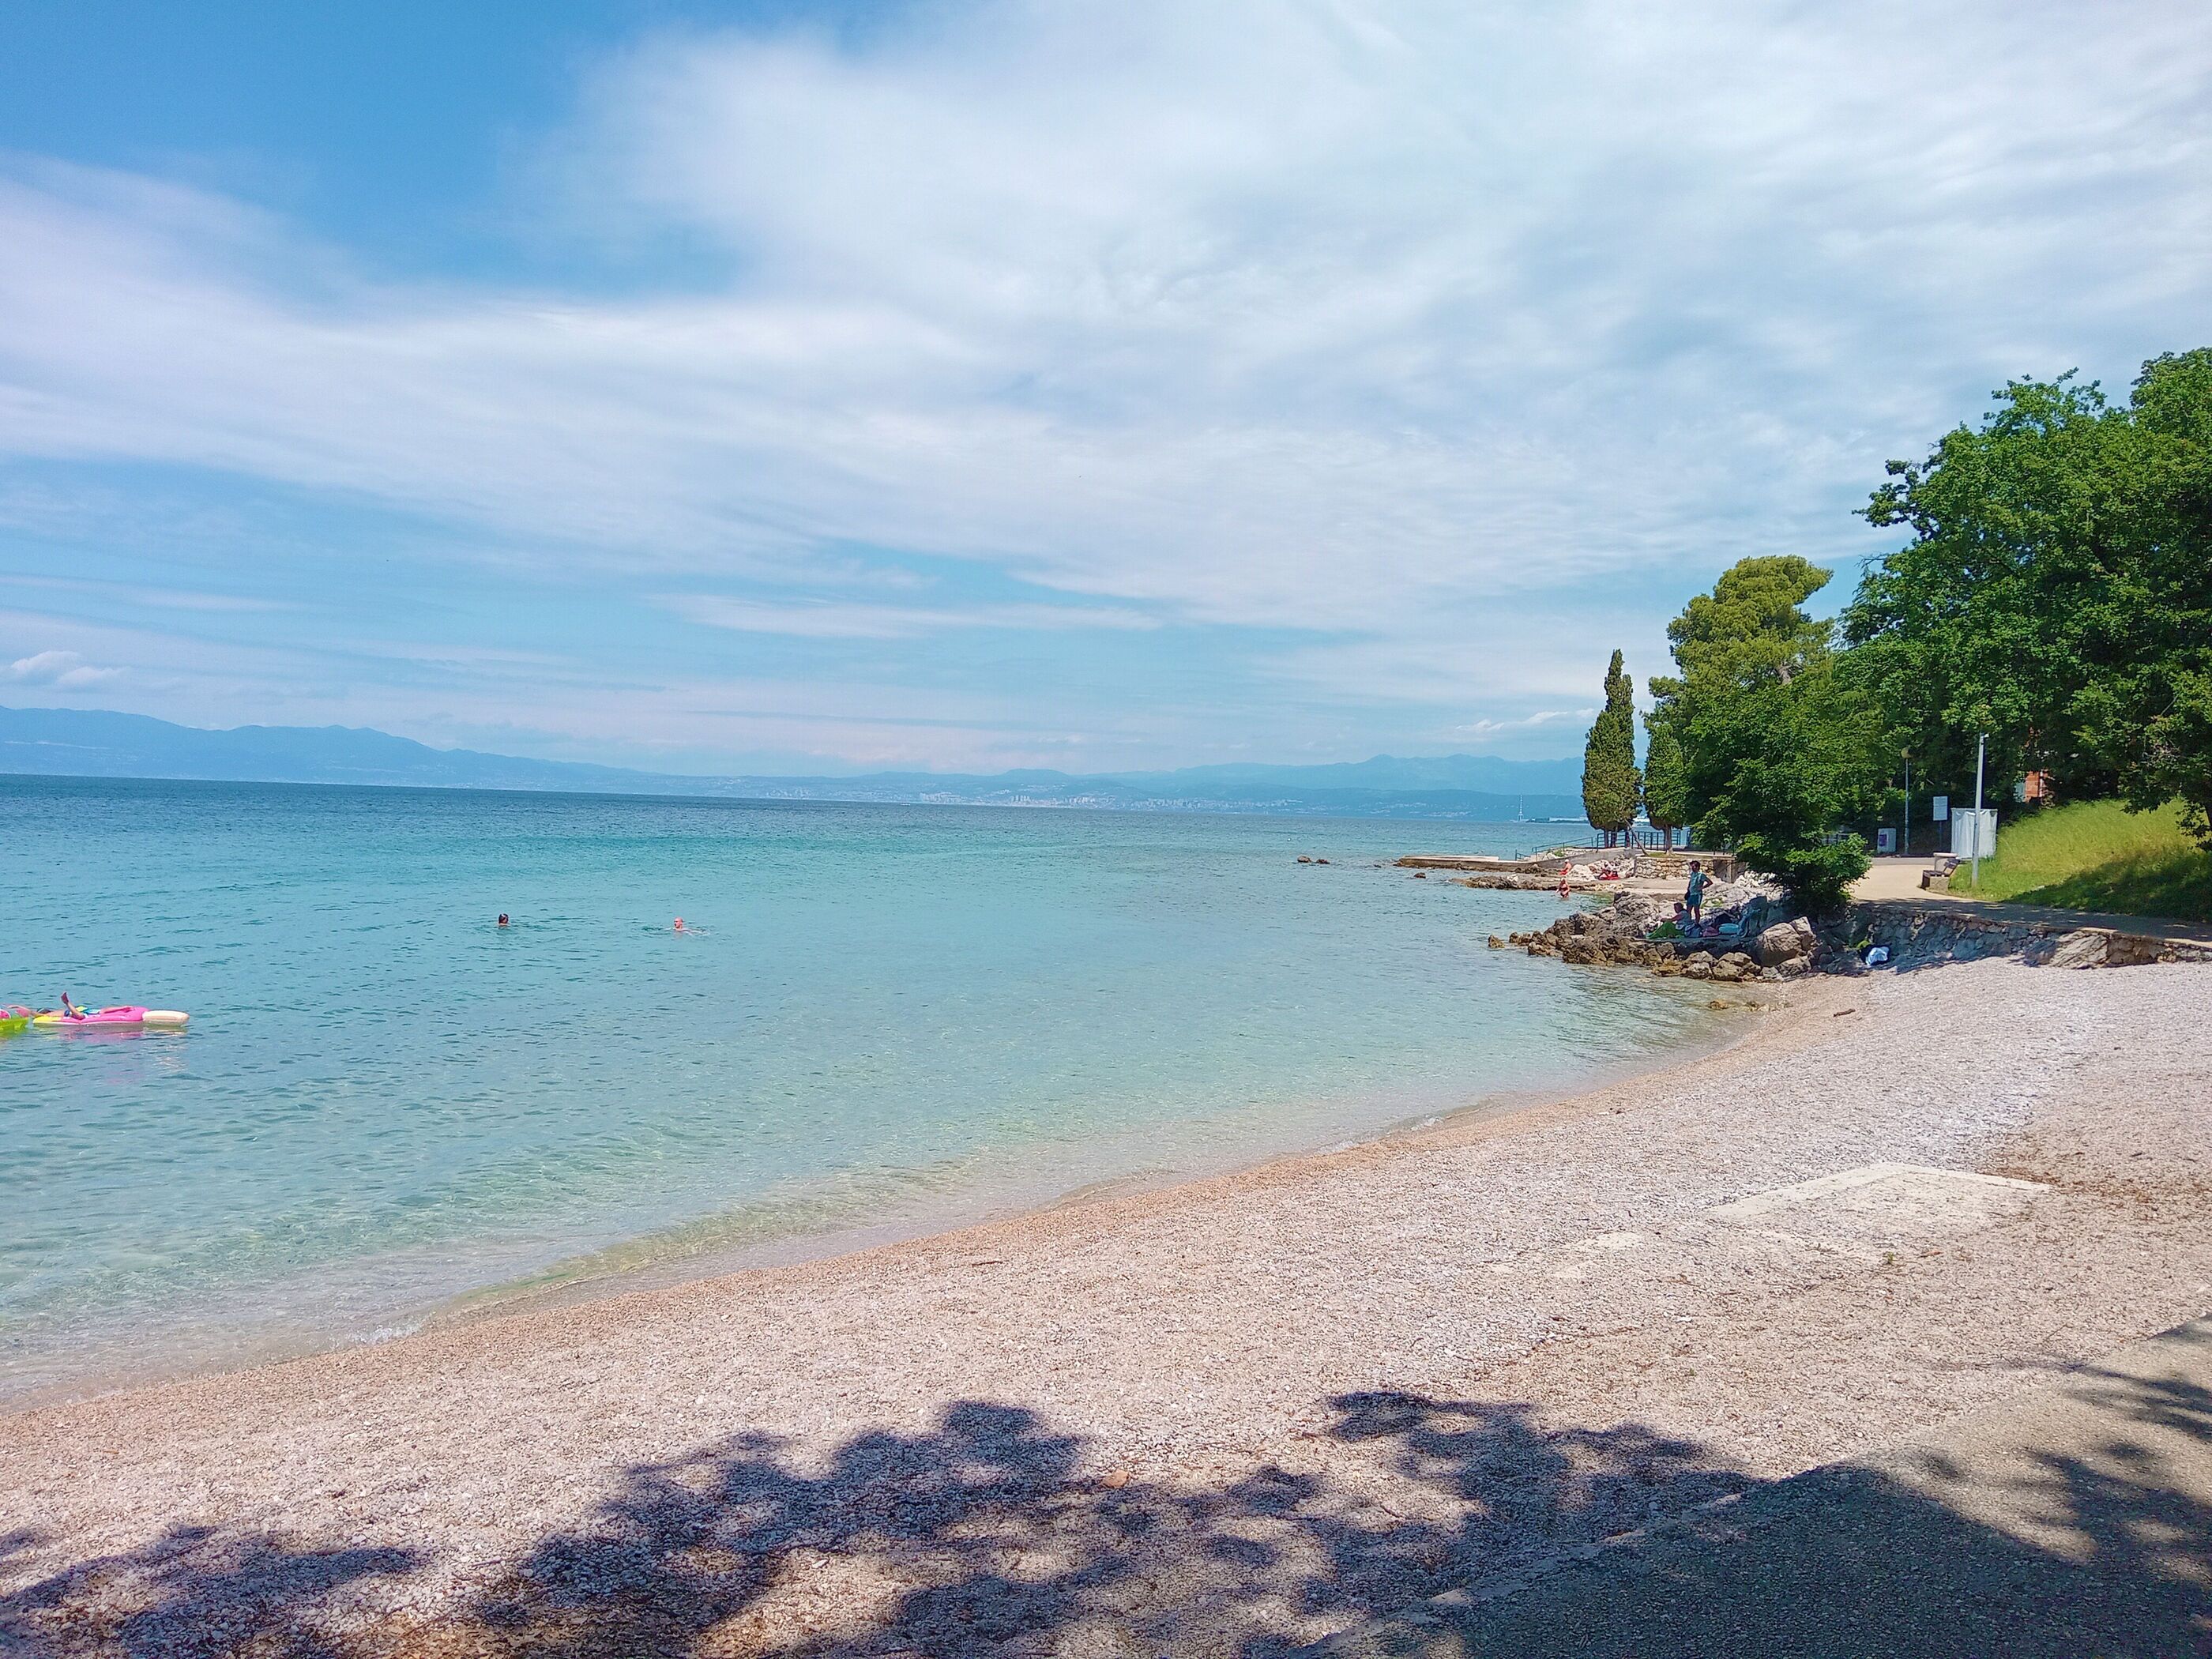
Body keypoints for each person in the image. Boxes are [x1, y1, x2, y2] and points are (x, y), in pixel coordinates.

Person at [1683, 859, 1708, 925]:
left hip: (1697, 894)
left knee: (1696, 910)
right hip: (1691, 894)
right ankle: (1688, 922)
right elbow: (1691, 882)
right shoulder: (1692, 874)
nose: (1692, 868)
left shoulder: (1701, 875)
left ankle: (1697, 923)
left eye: (1693, 866)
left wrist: (1702, 887)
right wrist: (1688, 889)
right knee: (1688, 909)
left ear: (1697, 867)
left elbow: (1709, 882)